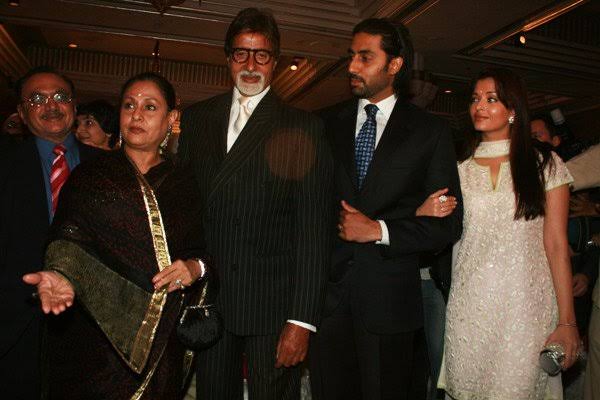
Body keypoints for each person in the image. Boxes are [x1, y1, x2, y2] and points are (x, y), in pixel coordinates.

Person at [178, 8, 333, 400]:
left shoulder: (303, 126)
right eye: (241, 54)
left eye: (261, 55)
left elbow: (313, 232)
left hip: (273, 308)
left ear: (275, 62)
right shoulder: (197, 120)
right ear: (227, 58)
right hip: (210, 299)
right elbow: (185, 210)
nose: (251, 65)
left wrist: (301, 320)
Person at [23, 72, 208, 399]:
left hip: (161, 341)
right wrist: (61, 273)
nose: (136, 115)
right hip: (95, 338)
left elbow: (206, 249)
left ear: (171, 119)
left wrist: (196, 268)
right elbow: (68, 236)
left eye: (150, 107)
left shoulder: (187, 183)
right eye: (129, 105)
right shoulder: (91, 174)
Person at [309, 18, 462, 400]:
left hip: (390, 305)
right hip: (326, 302)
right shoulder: (323, 124)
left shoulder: (430, 132)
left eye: (365, 57)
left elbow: (447, 227)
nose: (352, 67)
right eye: (351, 57)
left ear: (394, 65)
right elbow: (306, 210)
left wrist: (380, 230)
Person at [440, 68, 580, 400]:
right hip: (468, 305)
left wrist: (568, 321)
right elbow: (436, 228)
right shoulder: (456, 166)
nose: (479, 106)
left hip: (526, 308)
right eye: (475, 99)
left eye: (491, 99)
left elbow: (557, 245)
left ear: (513, 109)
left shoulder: (545, 164)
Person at [0, 66, 101, 399]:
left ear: (73, 106)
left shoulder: (109, 168)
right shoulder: (5, 163)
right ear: (21, 112)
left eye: (60, 96)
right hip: (16, 324)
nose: (51, 106)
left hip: (89, 328)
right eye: (37, 99)